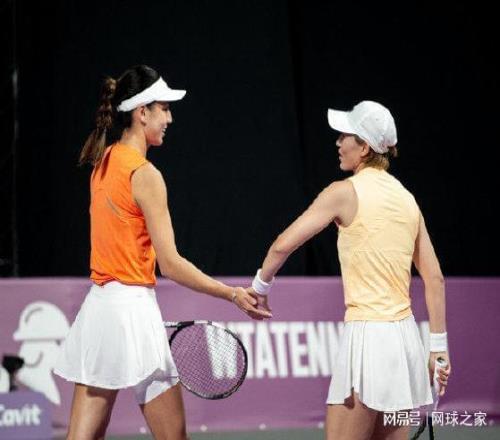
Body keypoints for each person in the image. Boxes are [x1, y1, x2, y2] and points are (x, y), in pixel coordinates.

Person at [54, 64, 271, 440]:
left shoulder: (102, 162)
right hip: (134, 311)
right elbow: (170, 264)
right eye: (164, 109)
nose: (169, 118)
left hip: (100, 310)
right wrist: (232, 294)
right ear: (142, 112)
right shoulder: (145, 175)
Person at [248, 101, 451, 440]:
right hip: (405, 343)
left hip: (368, 340)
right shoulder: (407, 199)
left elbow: (282, 245)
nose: (338, 142)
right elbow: (435, 278)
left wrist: (260, 287)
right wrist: (439, 348)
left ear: (365, 147)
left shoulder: (342, 192)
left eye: (345, 136)